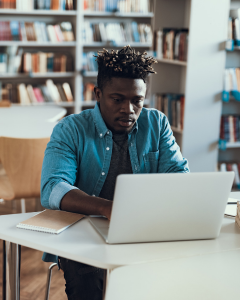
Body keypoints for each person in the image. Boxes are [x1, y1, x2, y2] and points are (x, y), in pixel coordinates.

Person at [40, 45, 189, 300]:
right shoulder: (70, 129)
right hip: (82, 237)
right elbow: (53, 188)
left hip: (143, 232)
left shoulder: (157, 124)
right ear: (98, 94)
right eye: (117, 99)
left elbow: (177, 175)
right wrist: (108, 208)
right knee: (89, 288)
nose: (128, 110)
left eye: (136, 101)